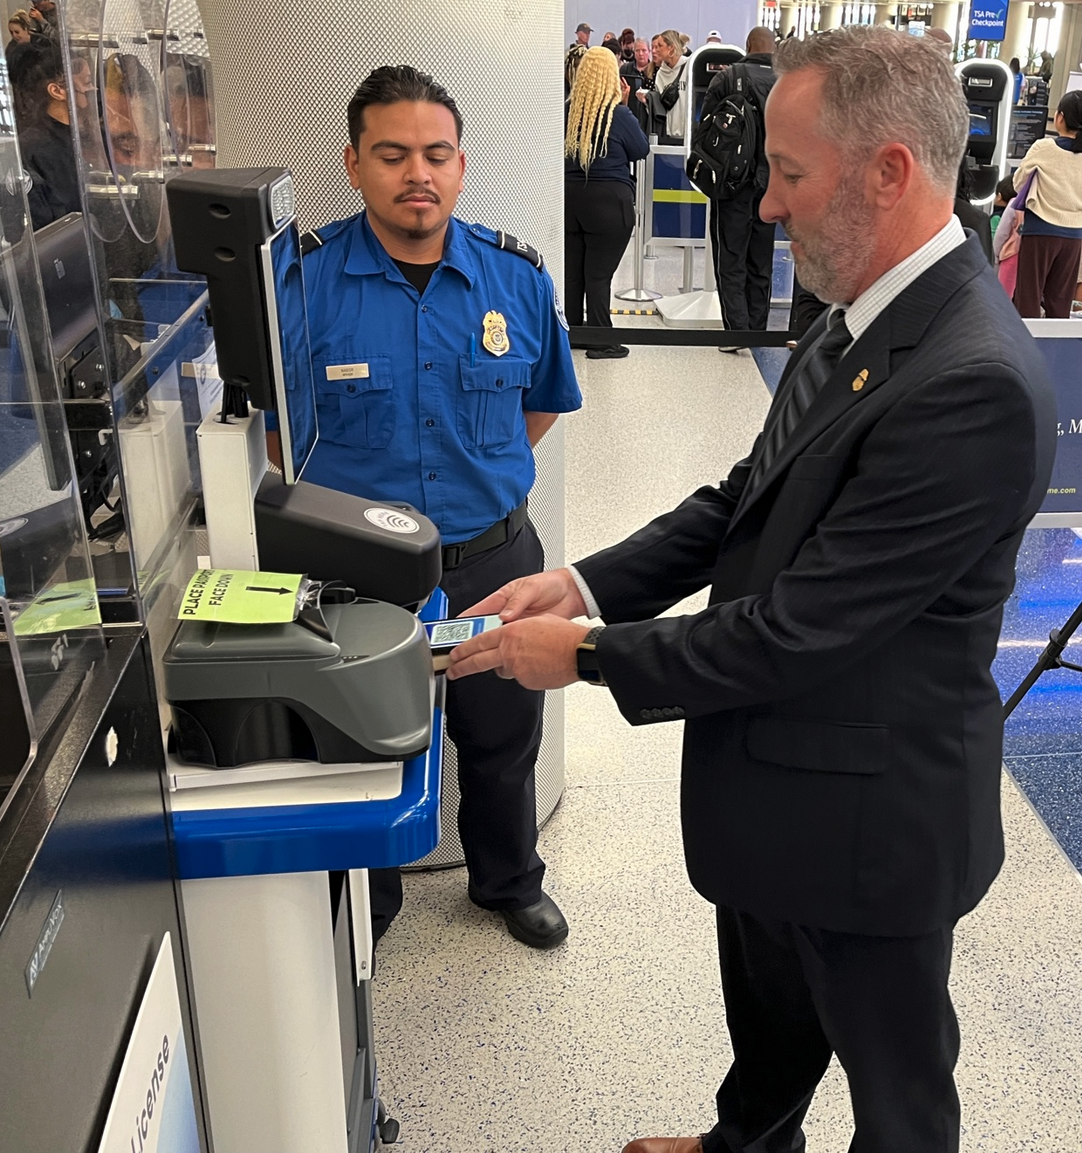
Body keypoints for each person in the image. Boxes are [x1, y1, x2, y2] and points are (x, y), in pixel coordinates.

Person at [445, 26, 1056, 1153]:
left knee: (898, 1101)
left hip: (873, 829)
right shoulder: (856, 315)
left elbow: (797, 631)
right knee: (770, 1036)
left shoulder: (969, 380)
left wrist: (583, 655)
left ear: (888, 171)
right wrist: (576, 582)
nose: (766, 206)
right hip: (777, 792)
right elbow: (741, 502)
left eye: (788, 174)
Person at [289, 65, 582, 951]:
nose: (417, 173)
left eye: (436, 154)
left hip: (493, 559)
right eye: (392, 154)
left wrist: (475, 481)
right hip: (359, 575)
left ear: (460, 165)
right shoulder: (304, 287)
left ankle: (507, 881)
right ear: (353, 164)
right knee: (362, 751)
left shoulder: (516, 280)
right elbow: (272, 433)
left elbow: (537, 405)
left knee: (503, 740)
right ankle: (369, 907)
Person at [565, 46, 649, 360]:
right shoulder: (619, 113)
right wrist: (626, 106)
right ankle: (601, 339)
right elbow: (640, 150)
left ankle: (572, 331)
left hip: (571, 199)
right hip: (609, 202)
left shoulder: (568, 110)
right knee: (598, 275)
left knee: (573, 273)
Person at [703, 26, 778, 348]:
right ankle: (757, 331)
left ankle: (736, 333)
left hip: (733, 186)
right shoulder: (788, 82)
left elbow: (706, 130)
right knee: (761, 261)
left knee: (730, 258)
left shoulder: (728, 78)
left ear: (748, 46)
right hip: (772, 187)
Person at [1011, 90, 1082, 318]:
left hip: (1040, 231)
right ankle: (1054, 350)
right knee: (1060, 301)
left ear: (1059, 117)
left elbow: (1018, 183)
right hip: (1074, 236)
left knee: (1028, 298)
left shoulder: (1043, 148)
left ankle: (1026, 349)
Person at [14, 43, 93, 227]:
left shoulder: (85, 135)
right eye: (88, 82)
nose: (93, 89)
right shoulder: (35, 149)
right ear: (57, 91)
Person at [639, 30, 687, 142]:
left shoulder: (690, 67)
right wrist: (648, 101)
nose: (655, 50)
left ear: (671, 47)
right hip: (667, 134)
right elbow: (660, 107)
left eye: (660, 46)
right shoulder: (660, 73)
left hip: (688, 134)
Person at [620, 38, 654, 131]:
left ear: (649, 51)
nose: (641, 54)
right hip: (629, 114)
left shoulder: (655, 70)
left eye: (644, 50)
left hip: (648, 120)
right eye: (637, 51)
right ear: (634, 52)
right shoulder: (625, 69)